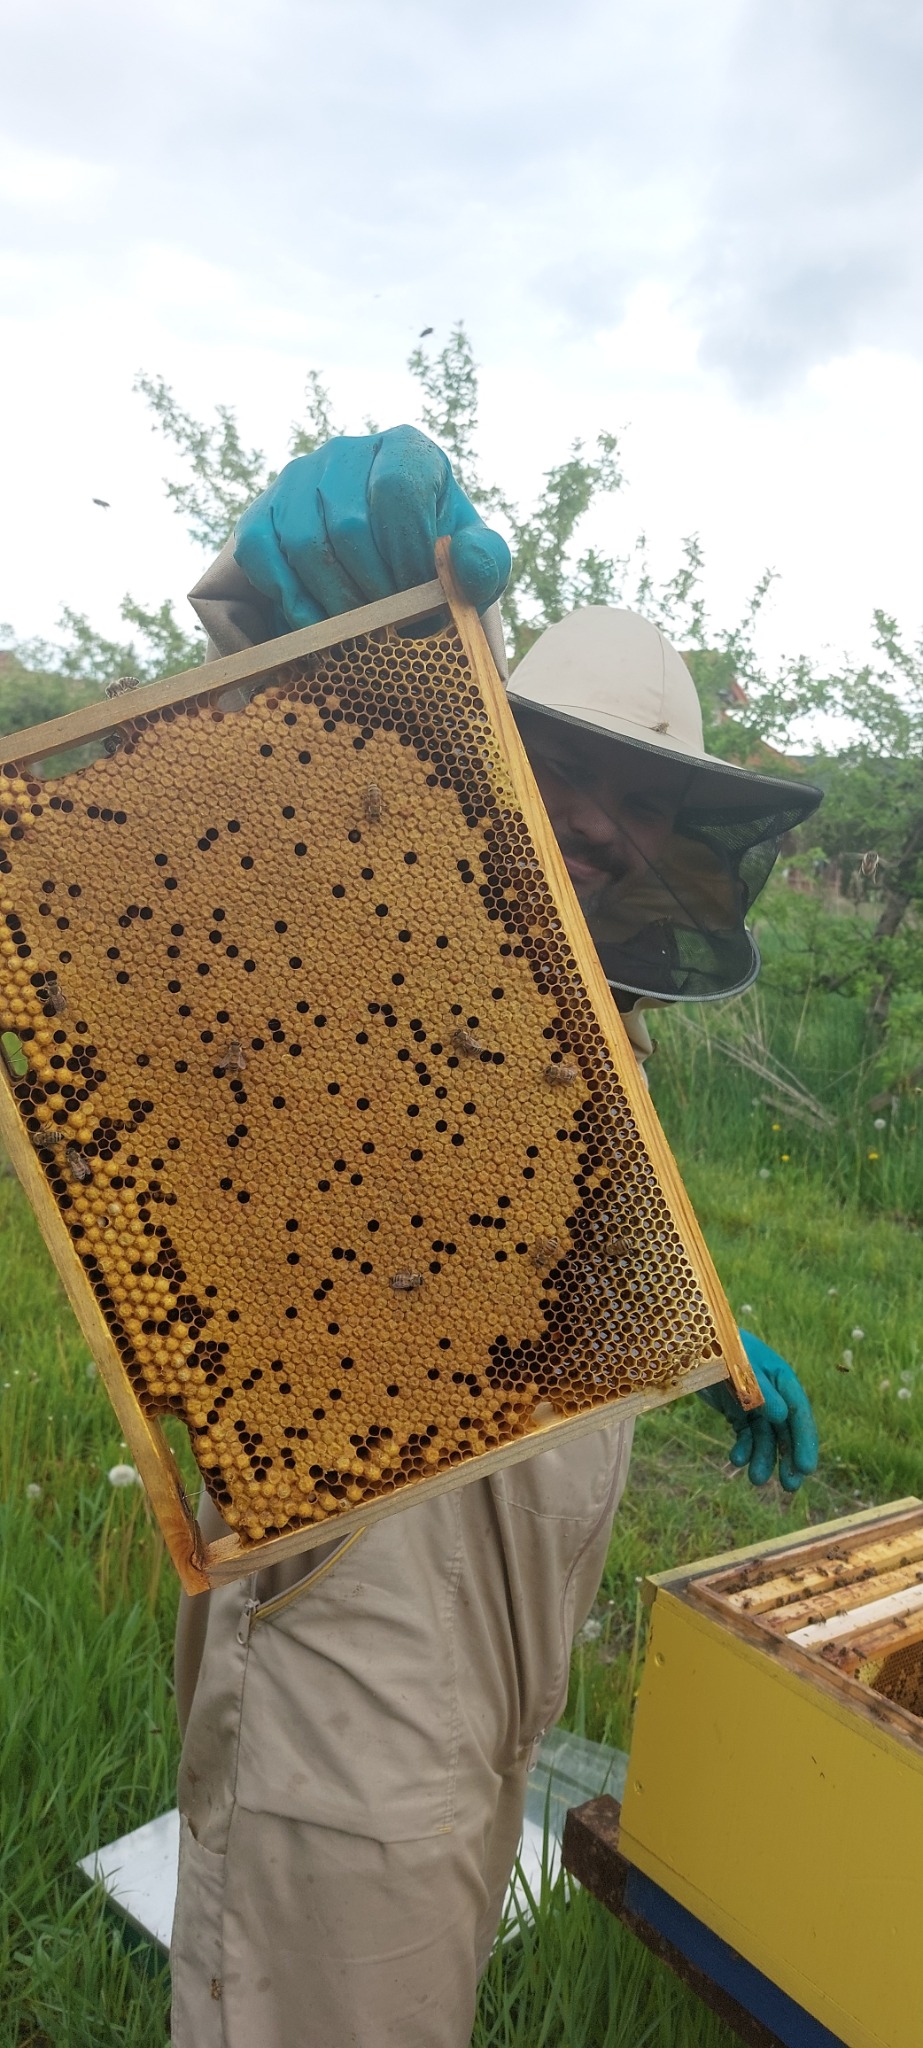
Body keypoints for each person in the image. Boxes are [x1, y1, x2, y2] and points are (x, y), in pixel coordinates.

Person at [170, 427, 821, 2048]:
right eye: (569, 773)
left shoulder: (606, 1026)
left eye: (643, 800)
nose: (599, 828)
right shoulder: (372, 921)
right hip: (354, 1682)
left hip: (497, 1688)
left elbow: (548, 1247)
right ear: (489, 751)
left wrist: (698, 1333)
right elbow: (259, 829)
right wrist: (278, 626)